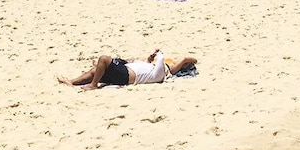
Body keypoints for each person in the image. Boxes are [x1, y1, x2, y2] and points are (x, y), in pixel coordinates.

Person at [58, 49, 198, 90]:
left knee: (104, 59)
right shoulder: (155, 69)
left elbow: (187, 58)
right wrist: (150, 59)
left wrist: (159, 53)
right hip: (125, 72)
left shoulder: (161, 73)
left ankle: (93, 85)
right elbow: (146, 65)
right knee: (96, 71)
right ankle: (72, 82)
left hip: (127, 76)